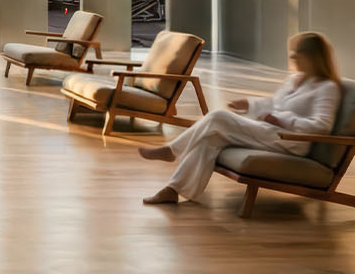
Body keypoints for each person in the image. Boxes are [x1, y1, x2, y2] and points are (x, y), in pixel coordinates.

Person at [139, 31, 342, 205]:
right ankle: (172, 190)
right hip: (269, 132)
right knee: (210, 138)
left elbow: (322, 126)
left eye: (299, 53)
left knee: (218, 117)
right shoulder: (295, 80)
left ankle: (172, 150)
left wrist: (283, 121)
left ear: (314, 57)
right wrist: (249, 104)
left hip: (289, 140)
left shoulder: (327, 88)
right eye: (293, 52)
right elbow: (275, 103)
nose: (293, 56)